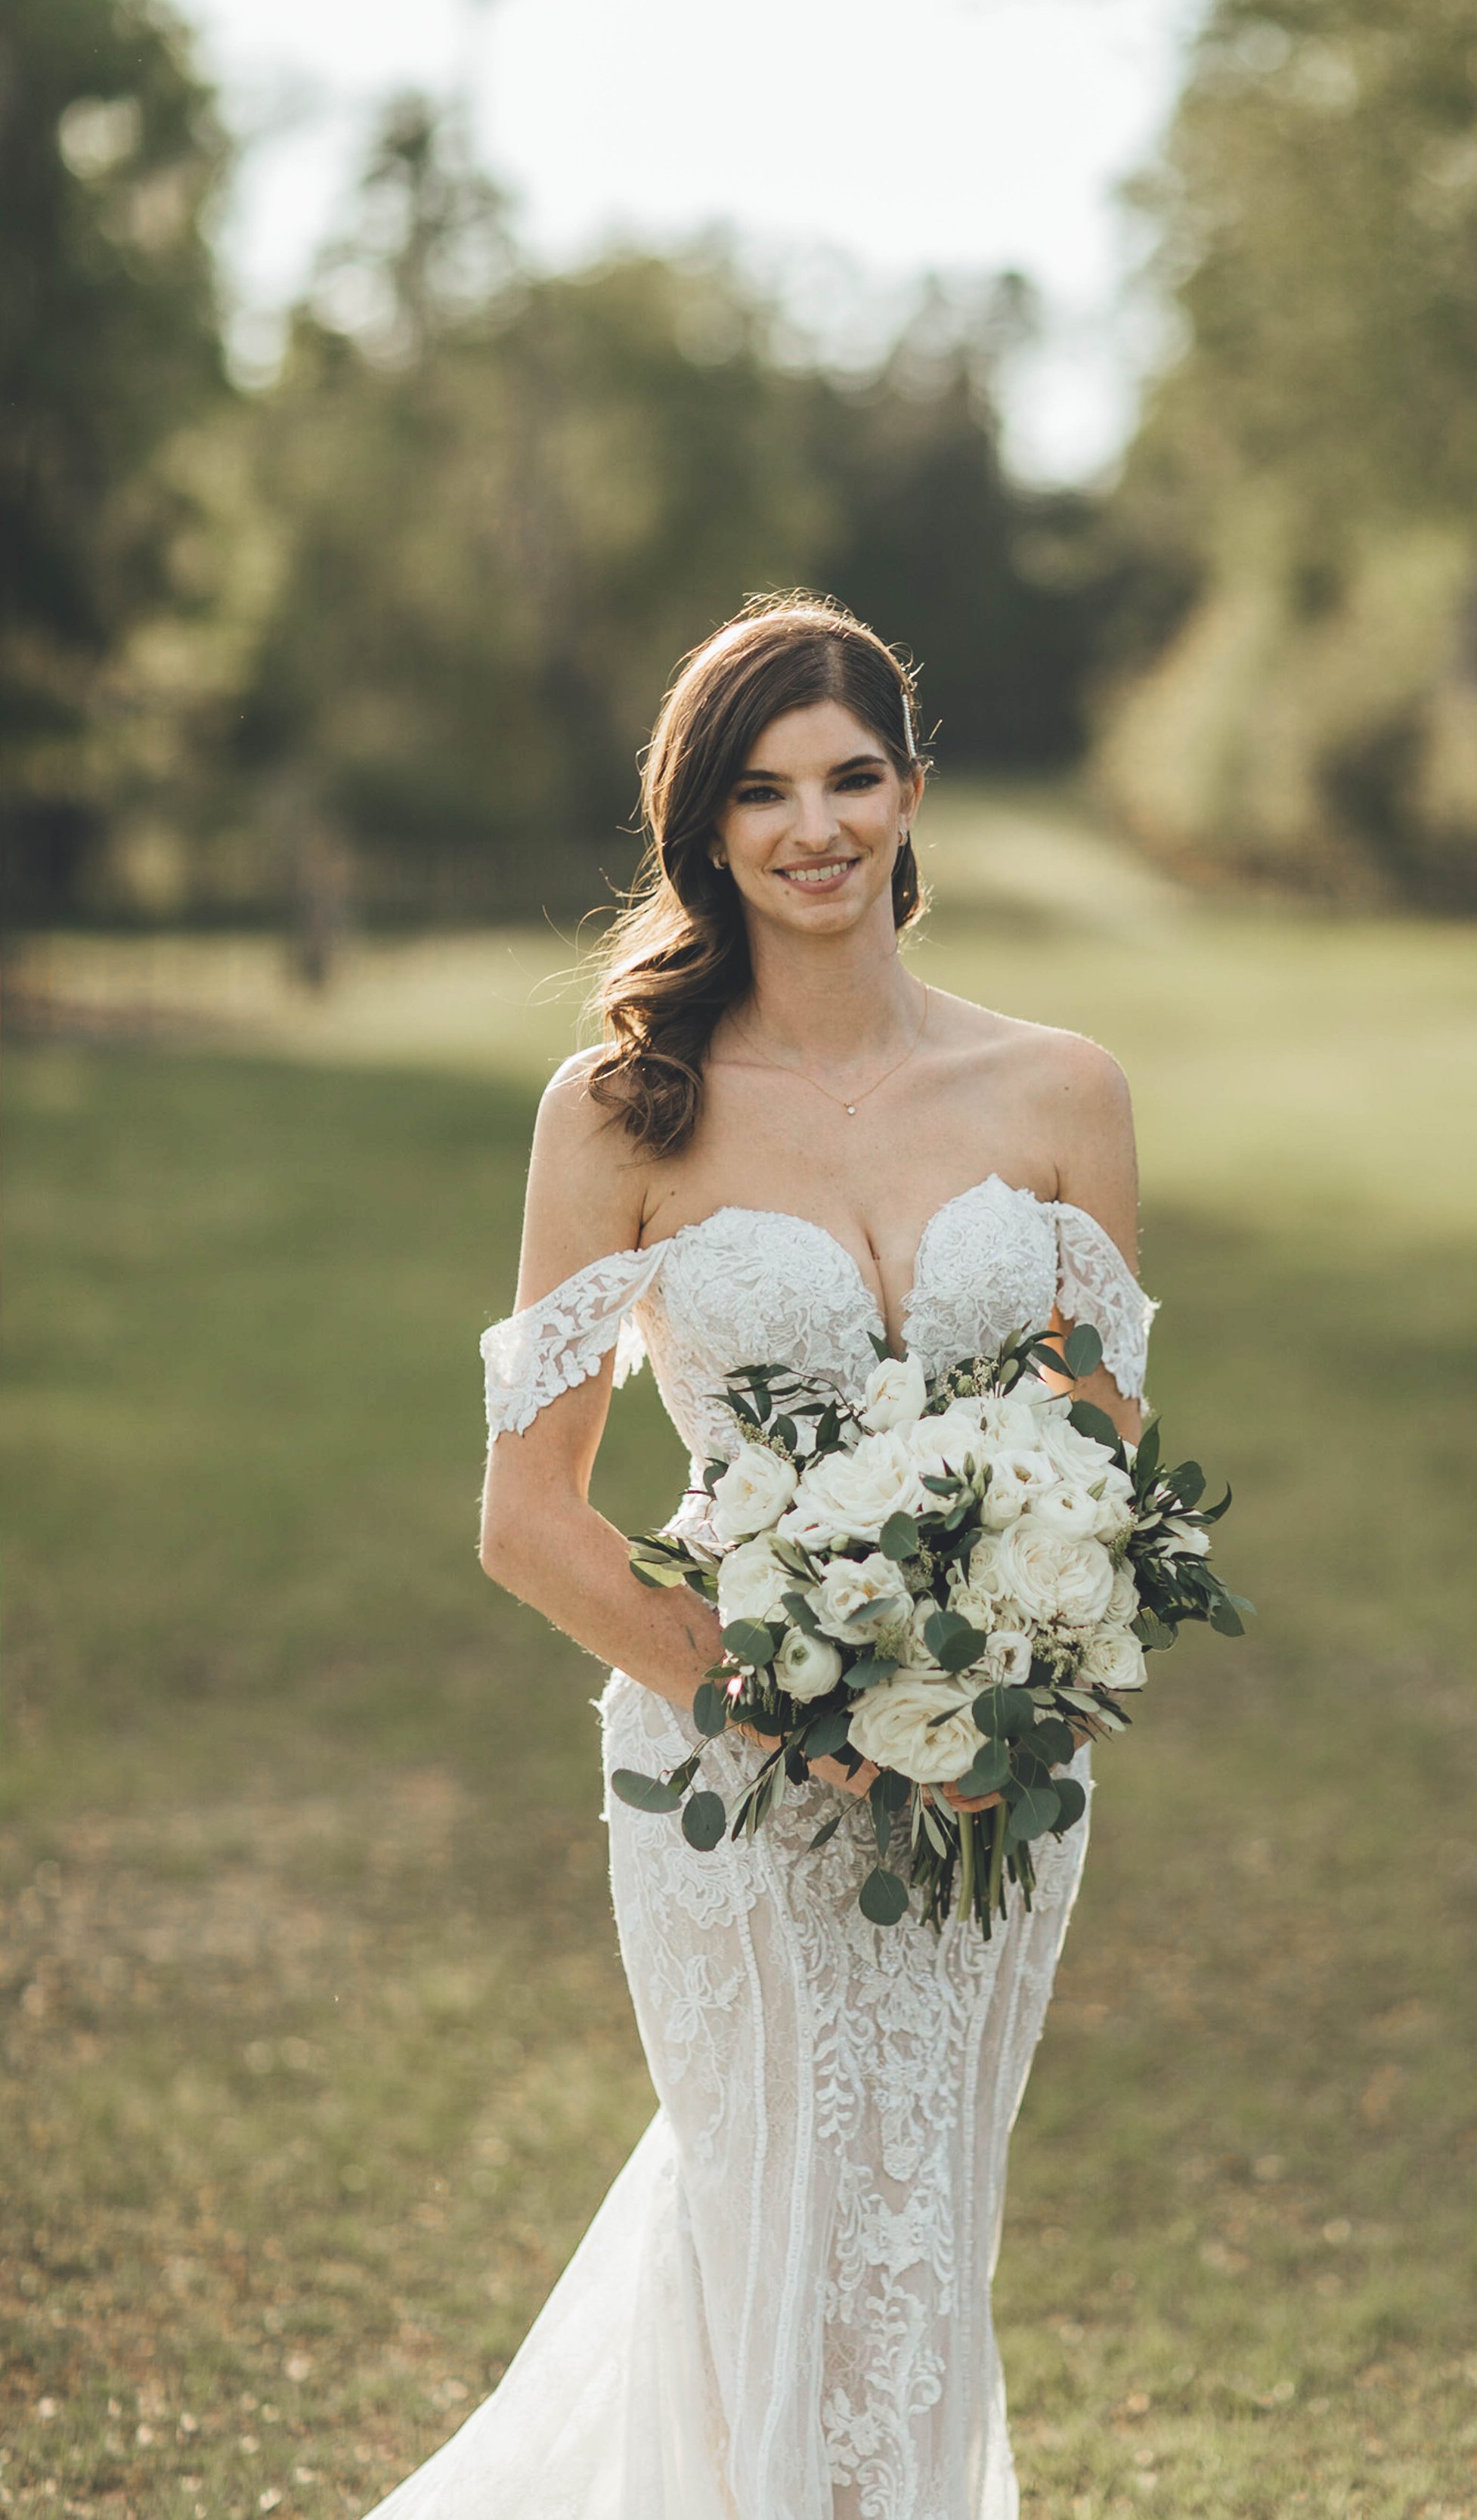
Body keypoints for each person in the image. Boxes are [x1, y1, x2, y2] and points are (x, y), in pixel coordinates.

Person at [362, 594, 1155, 2520]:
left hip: (990, 1773)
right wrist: (782, 1704)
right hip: (727, 1763)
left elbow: (1100, 1455)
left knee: (914, 2227)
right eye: (762, 790)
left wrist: (984, 1663)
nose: (815, 828)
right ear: (702, 828)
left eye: (850, 778)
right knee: (765, 2206)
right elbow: (526, 1517)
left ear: (907, 794)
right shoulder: (624, 1112)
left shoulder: (1060, 1095)